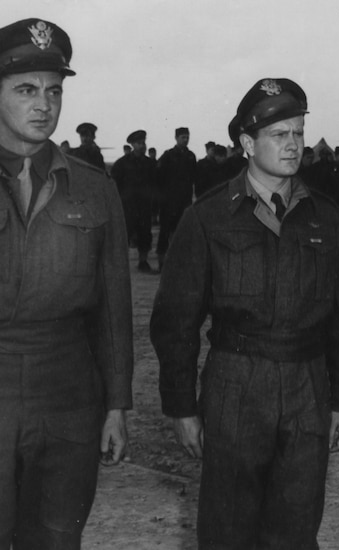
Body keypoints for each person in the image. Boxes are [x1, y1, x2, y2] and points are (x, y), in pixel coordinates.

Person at [151, 77, 339, 549]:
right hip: (235, 384)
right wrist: (182, 406)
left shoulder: (324, 215)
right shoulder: (207, 217)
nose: (293, 145)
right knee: (228, 528)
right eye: (279, 135)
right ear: (247, 143)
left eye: (298, 133)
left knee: (297, 526)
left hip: (308, 385)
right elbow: (175, 321)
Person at [0, 18, 133, 548]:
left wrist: (117, 406)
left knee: (57, 538)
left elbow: (114, 311)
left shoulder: (95, 188)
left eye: (54, 92)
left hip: (69, 397)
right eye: (26, 90)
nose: (44, 106)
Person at [111, 129, 158, 273]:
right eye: (139, 143)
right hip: (127, 207)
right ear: (132, 145)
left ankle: (143, 262)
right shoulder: (121, 164)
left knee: (145, 234)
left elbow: (155, 185)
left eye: (143, 142)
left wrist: (154, 207)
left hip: (144, 206)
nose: (142, 146)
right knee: (124, 235)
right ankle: (120, 264)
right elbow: (114, 185)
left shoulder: (150, 164)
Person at [156, 126, 196, 270]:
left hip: (184, 201)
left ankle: (180, 262)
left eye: (187, 137)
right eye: (183, 137)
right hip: (168, 201)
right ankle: (162, 261)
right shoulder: (168, 155)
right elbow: (159, 177)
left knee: (182, 232)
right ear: (176, 138)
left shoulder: (191, 156)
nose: (185, 140)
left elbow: (193, 178)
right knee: (165, 231)